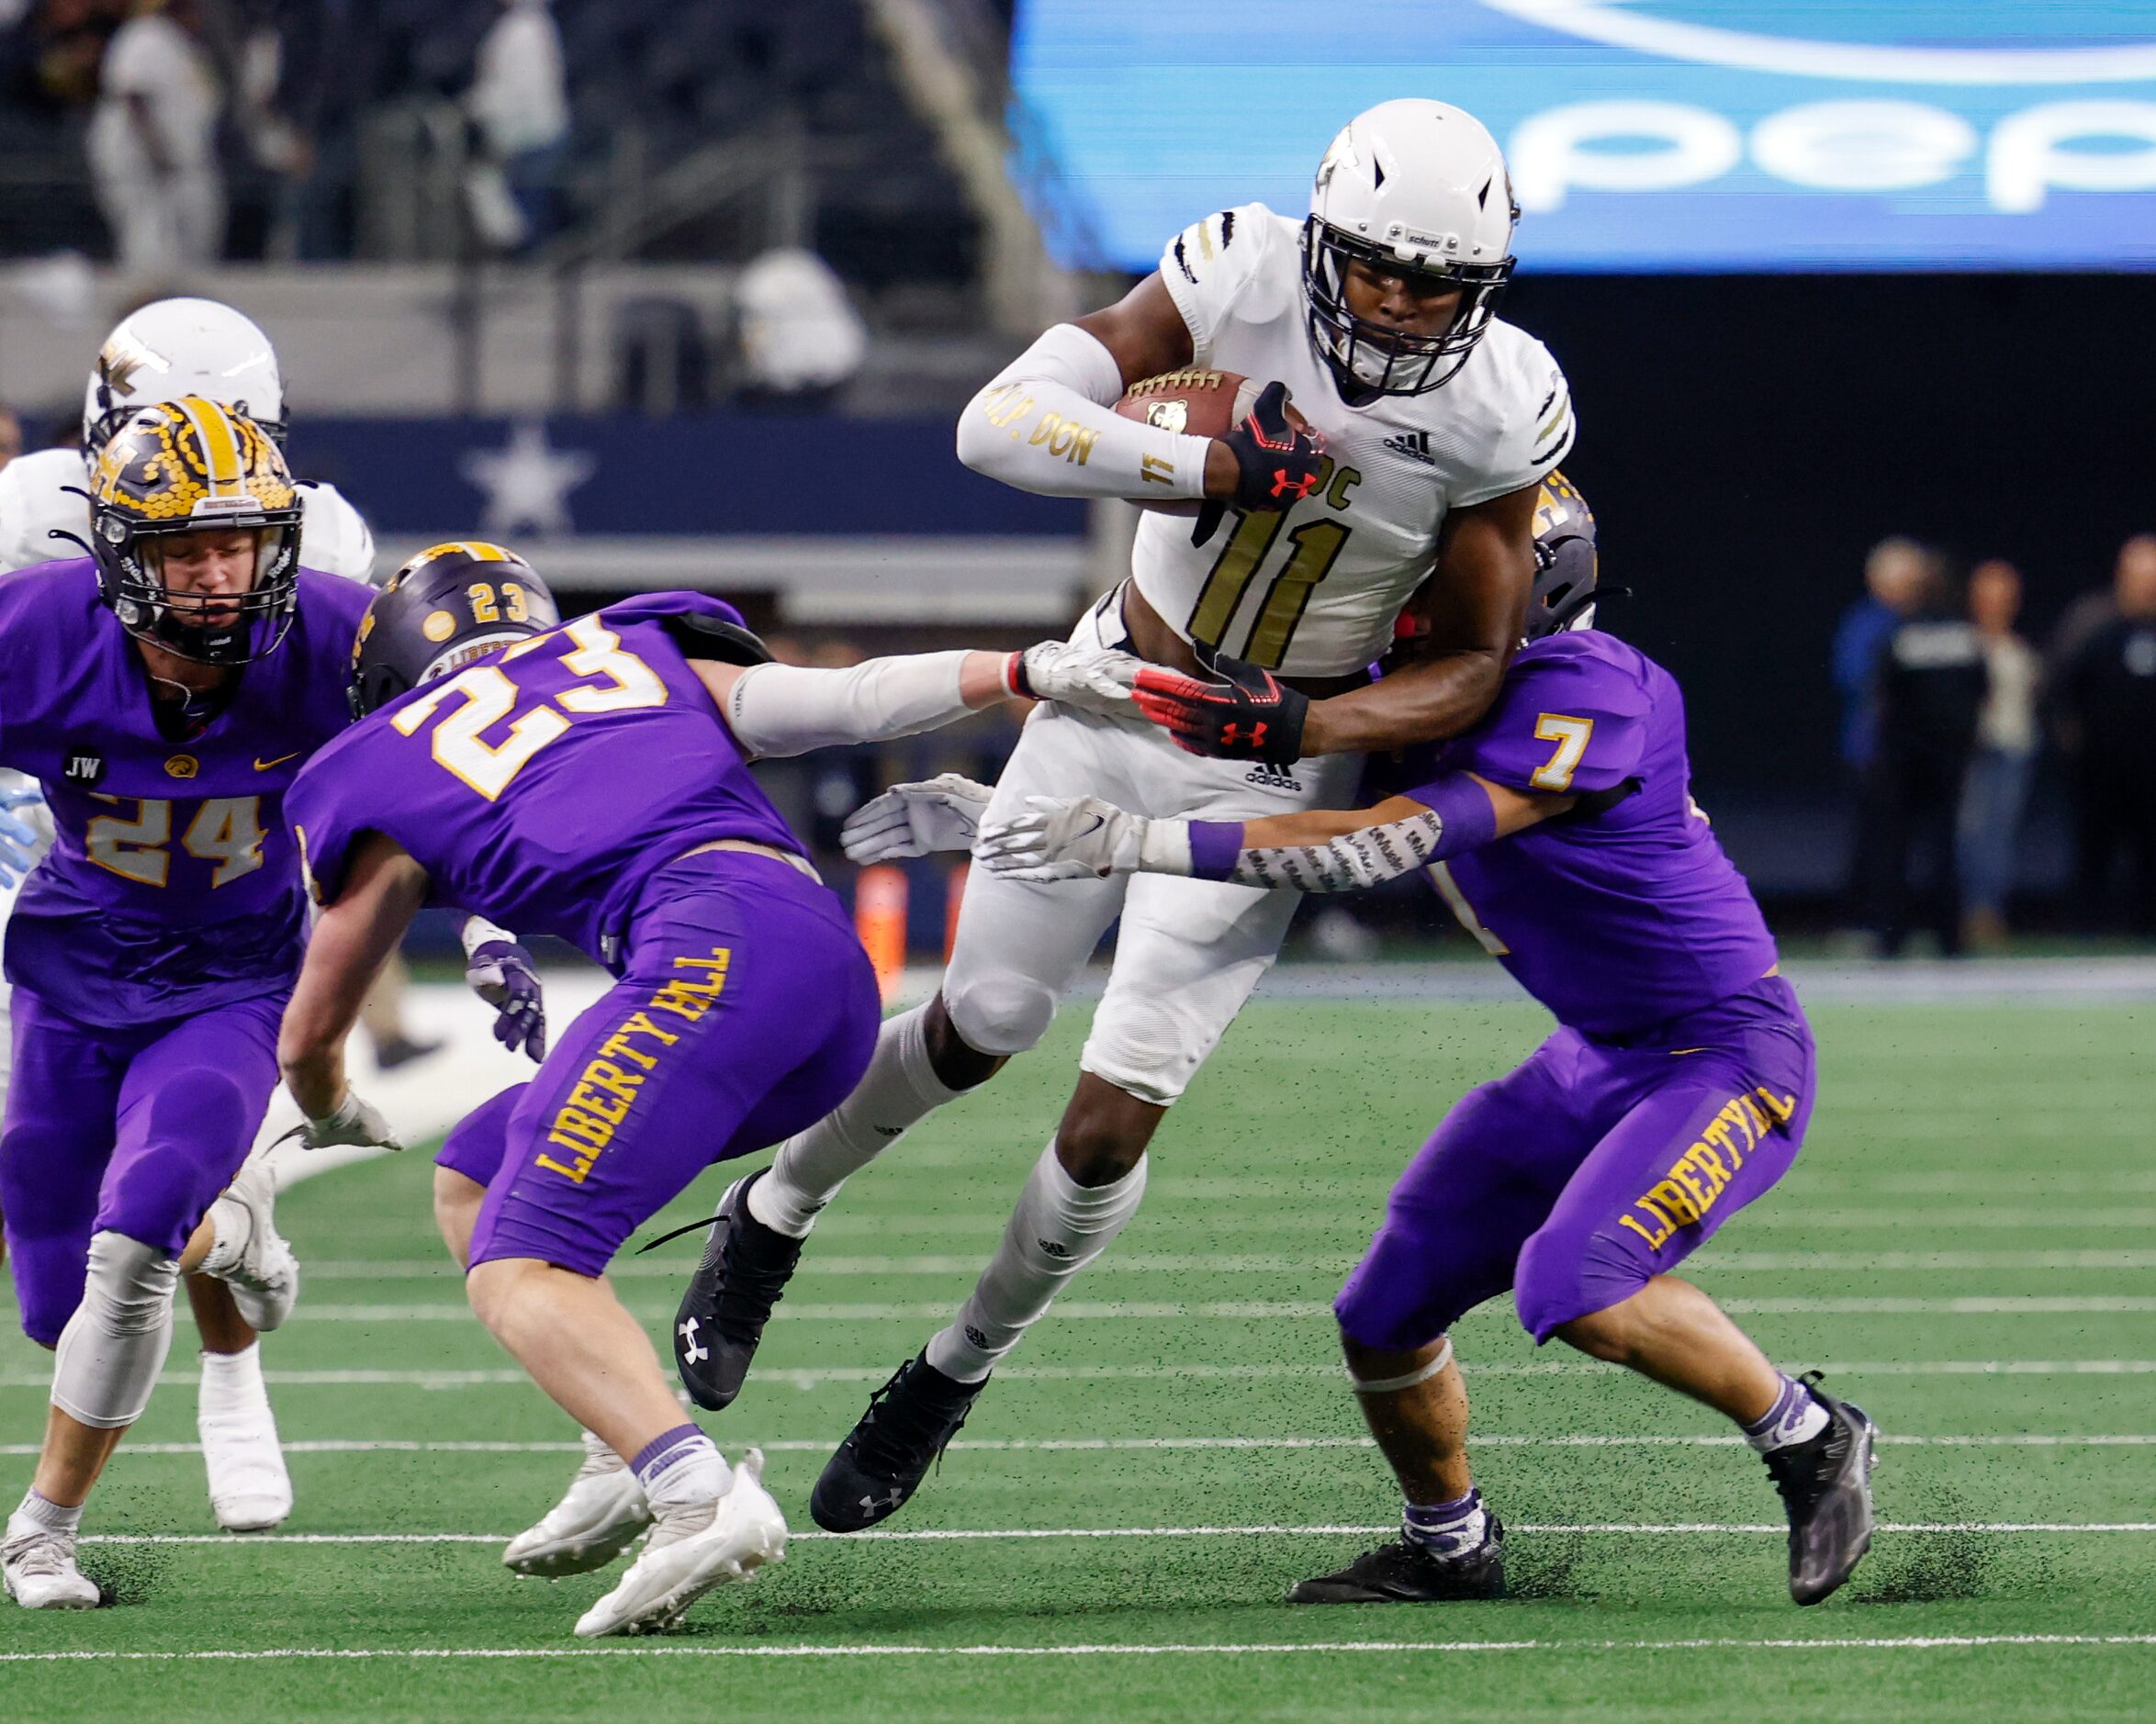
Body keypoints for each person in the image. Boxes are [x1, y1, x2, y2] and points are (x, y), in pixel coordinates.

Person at [671, 99, 1574, 1533]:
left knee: (1109, 1125)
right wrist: (1209, 466)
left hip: (1263, 764)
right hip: (1111, 692)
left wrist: (1315, 722)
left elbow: (1476, 657)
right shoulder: (1240, 271)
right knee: (985, 1023)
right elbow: (997, 423)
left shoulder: (1500, 404)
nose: (1402, 304)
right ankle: (770, 1212)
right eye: (1381, 267)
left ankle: (949, 1372)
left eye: (1438, 282)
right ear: (1326, 237)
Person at [961, 475, 1879, 1607]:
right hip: (1594, 1052)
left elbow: (1371, 844)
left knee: (1577, 1282)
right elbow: (1252, 726)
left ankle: (1807, 1437)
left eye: (1444, 579)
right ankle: (1449, 1541)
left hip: (1719, 1054)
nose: (1412, 603)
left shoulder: (1592, 688)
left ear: (1533, 579)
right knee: (1384, 1311)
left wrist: (1133, 839)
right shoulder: (1424, 682)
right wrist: (1053, 756)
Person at [274, 543, 1140, 1636]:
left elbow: (313, 1024)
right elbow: (847, 698)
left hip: (703, 958)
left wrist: (326, 1101)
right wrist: (1017, 671)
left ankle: (692, 1499)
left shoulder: (377, 760)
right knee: (475, 1170)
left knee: (520, 1265)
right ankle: (615, 1451)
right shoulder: (626, 649)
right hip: (820, 984)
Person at [0, 297, 450, 1536]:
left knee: (151, 1192)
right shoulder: (33, 535)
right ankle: (223, 1239)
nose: (213, 552)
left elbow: (458, 741)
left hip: (235, 911)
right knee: (55, 1292)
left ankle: (229, 1368)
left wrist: (497, 913)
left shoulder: (314, 563)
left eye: (244, 436)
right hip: (58, 874)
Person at [1848, 561, 1988, 957]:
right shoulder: (1964, 635)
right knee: (1945, 846)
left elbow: (1881, 694)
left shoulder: (1901, 634)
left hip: (1902, 759)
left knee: (1895, 847)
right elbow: (1980, 691)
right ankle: (1950, 937)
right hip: (1948, 759)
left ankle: (1890, 934)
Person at [2051, 535, 2156, 934]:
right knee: (2094, 849)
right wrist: (2072, 741)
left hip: (2152, 768)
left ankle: (2147, 927)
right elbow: (2059, 686)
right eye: (2141, 575)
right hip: (2100, 767)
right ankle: (2087, 926)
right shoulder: (2092, 619)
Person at [87, 0, 224, 279]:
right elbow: (134, 97)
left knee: (193, 246)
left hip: (180, 166)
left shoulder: (186, 45)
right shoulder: (146, 35)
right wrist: (158, 155)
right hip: (145, 166)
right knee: (148, 244)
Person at [1956, 560, 2039, 949]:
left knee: (2000, 836)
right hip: (1974, 752)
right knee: (1971, 834)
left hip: (2014, 750)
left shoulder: (2019, 649)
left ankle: (1991, 912)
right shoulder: (1963, 644)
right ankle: (1971, 912)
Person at [463, 0, 568, 252]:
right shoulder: (522, 28)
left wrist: (477, 108)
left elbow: (518, 93)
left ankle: (520, 256)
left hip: (531, 136)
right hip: (523, 133)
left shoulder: (526, 32)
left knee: (523, 217)